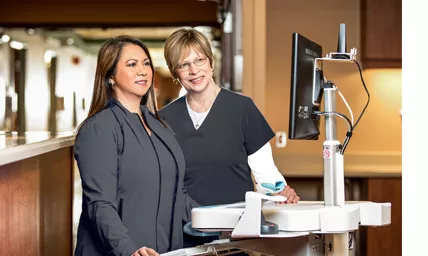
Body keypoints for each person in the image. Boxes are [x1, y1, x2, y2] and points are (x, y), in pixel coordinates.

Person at [159, 27, 300, 249]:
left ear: (211, 62)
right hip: (184, 233)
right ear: (175, 72)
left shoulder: (243, 109)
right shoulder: (164, 118)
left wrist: (280, 191)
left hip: (235, 231)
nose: (194, 70)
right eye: (183, 65)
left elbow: (265, 173)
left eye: (199, 60)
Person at [73, 35, 197, 256]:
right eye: (132, 64)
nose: (143, 71)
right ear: (110, 75)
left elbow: (179, 194)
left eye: (146, 63)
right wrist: (129, 250)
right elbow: (100, 204)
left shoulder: (161, 127)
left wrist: (219, 222)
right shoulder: (99, 128)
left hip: (166, 250)